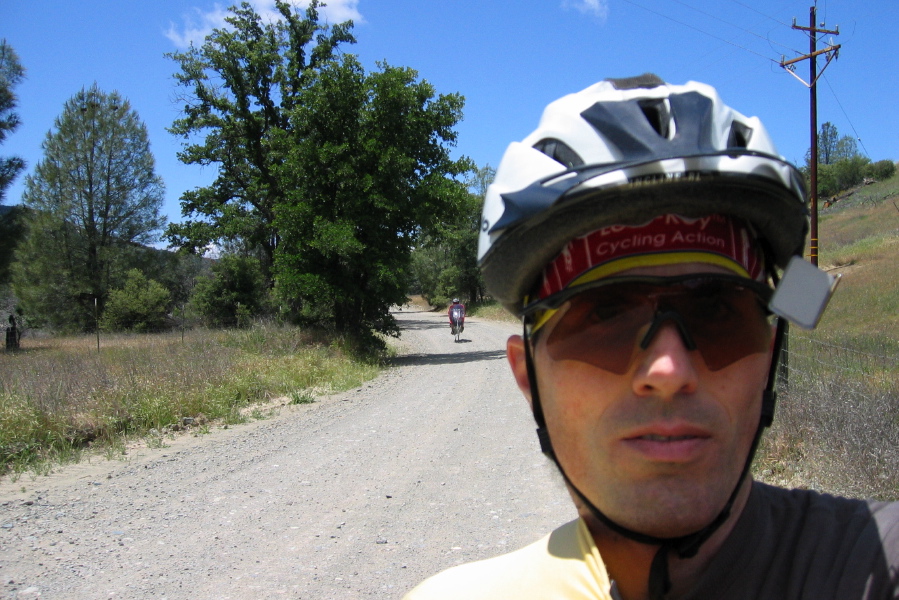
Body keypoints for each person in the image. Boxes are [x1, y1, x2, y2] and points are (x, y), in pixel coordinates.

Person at [404, 74, 899, 599]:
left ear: (770, 355)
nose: (669, 372)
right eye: (604, 317)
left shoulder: (875, 562)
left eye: (717, 310)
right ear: (529, 379)